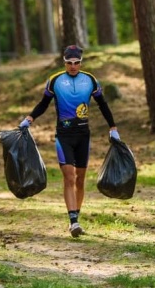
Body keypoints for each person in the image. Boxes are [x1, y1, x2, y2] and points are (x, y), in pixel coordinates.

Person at [19, 45, 119, 238]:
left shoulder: (90, 80)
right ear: (64, 62)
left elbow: (103, 104)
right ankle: (73, 222)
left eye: (77, 63)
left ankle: (77, 218)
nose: (73, 66)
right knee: (69, 176)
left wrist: (113, 127)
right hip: (64, 135)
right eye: (69, 63)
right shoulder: (55, 81)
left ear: (81, 62)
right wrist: (30, 118)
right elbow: (43, 104)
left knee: (81, 179)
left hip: (84, 135)